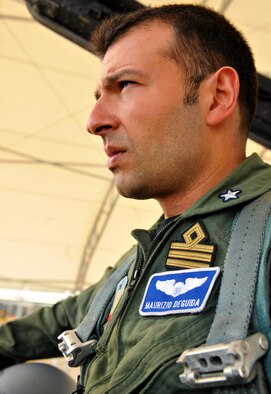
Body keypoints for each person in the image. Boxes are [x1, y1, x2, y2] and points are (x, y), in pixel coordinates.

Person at [0, 3, 270, 393]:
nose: (95, 122)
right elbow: (46, 325)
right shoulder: (134, 267)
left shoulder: (262, 240)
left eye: (124, 85)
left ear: (218, 97)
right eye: (98, 96)